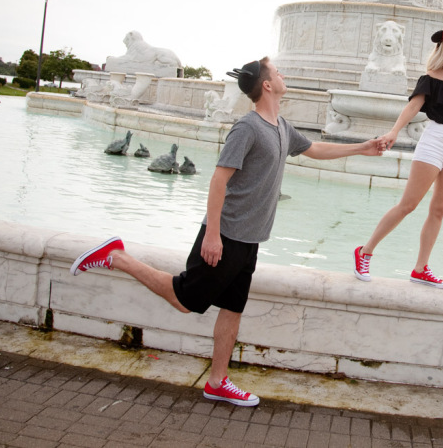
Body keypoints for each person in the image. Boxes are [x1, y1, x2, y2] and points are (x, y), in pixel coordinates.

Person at [70, 57, 383, 407]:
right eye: (277, 72)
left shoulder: (281, 126)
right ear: (267, 85)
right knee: (185, 299)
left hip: (251, 238)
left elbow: (315, 149)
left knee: (233, 308)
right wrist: (213, 234)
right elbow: (219, 179)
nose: (283, 75)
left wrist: (363, 147)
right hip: (228, 234)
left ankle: (217, 381)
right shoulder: (247, 128)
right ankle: (117, 257)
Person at [353, 21, 443, 289]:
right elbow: (413, 106)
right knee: (408, 205)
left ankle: (420, 269)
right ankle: (365, 252)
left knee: (439, 210)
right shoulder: (431, 78)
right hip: (434, 142)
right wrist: (394, 131)